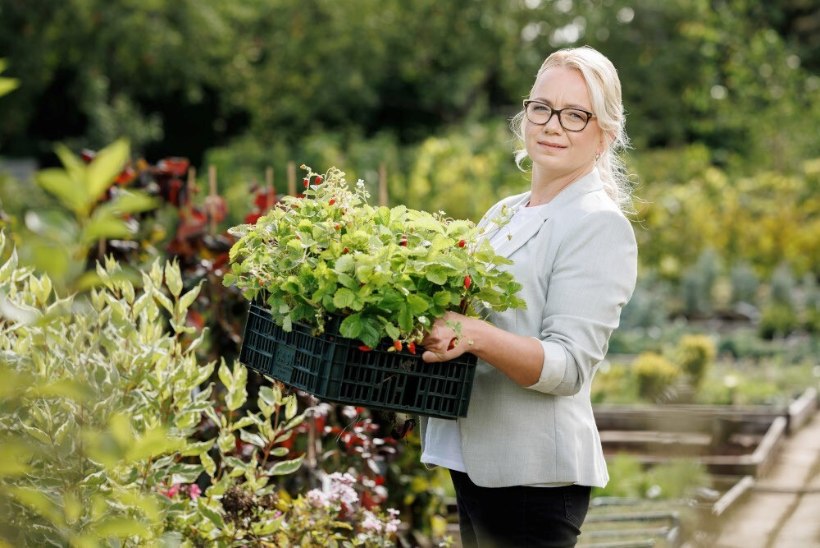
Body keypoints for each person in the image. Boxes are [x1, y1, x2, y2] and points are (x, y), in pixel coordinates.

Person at [419, 45, 638, 547]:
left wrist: (473, 334)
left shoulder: (598, 224)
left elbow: (567, 367)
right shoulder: (505, 212)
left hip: (533, 482)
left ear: (604, 134)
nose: (553, 124)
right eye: (541, 108)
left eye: (575, 115)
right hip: (479, 465)